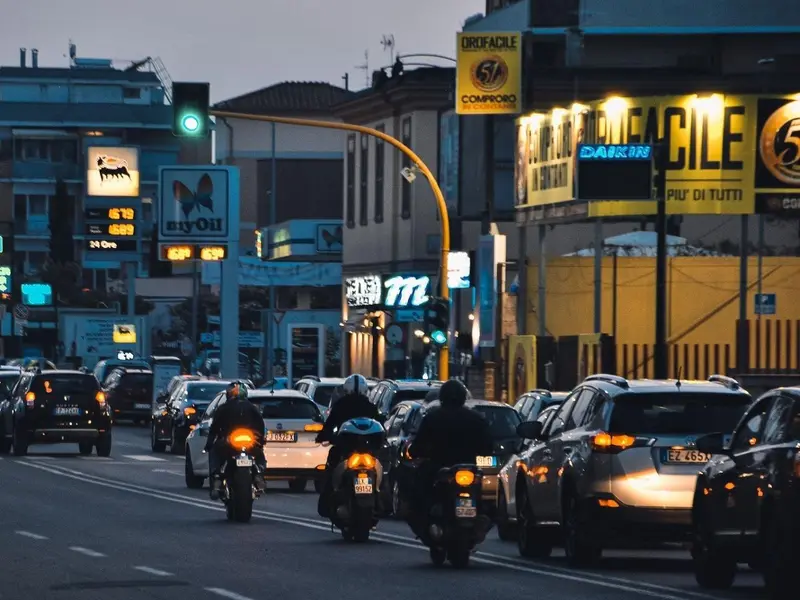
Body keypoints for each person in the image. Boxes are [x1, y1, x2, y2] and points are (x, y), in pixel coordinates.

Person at [406, 379, 493, 537]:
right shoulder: (476, 419)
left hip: (439, 467)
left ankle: (424, 521)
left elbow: (418, 445)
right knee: (483, 495)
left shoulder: (433, 418)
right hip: (467, 468)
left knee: (418, 491)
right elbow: (488, 446)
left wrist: (416, 451)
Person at [315, 373, 380, 517]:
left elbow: (330, 424)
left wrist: (323, 437)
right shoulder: (370, 406)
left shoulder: (341, 405)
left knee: (330, 469)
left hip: (347, 450)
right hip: (364, 450)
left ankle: (327, 501)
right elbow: (380, 425)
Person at [204, 380, 267, 500]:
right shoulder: (252, 408)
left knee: (215, 452)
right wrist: (260, 441)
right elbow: (260, 425)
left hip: (230, 441)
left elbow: (214, 428)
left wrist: (209, 444)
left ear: (229, 394)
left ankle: (216, 477)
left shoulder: (223, 408)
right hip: (248, 441)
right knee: (259, 453)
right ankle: (259, 474)